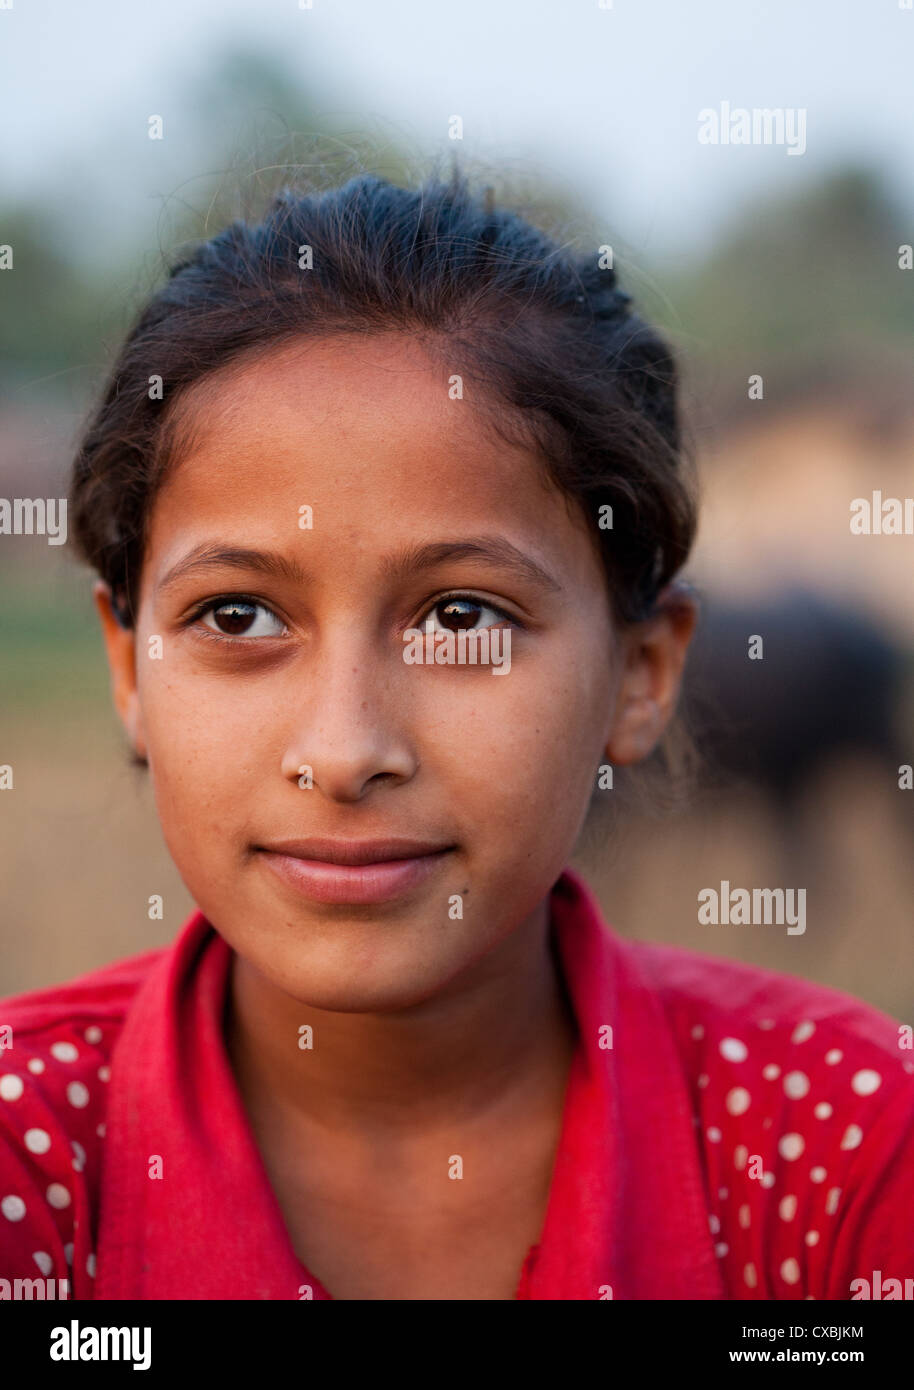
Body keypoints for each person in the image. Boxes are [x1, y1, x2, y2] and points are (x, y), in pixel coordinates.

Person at [1, 166, 912, 1301]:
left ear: (640, 674)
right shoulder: (28, 1174)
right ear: (130, 666)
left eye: (461, 616)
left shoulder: (850, 1157)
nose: (342, 751)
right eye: (236, 614)